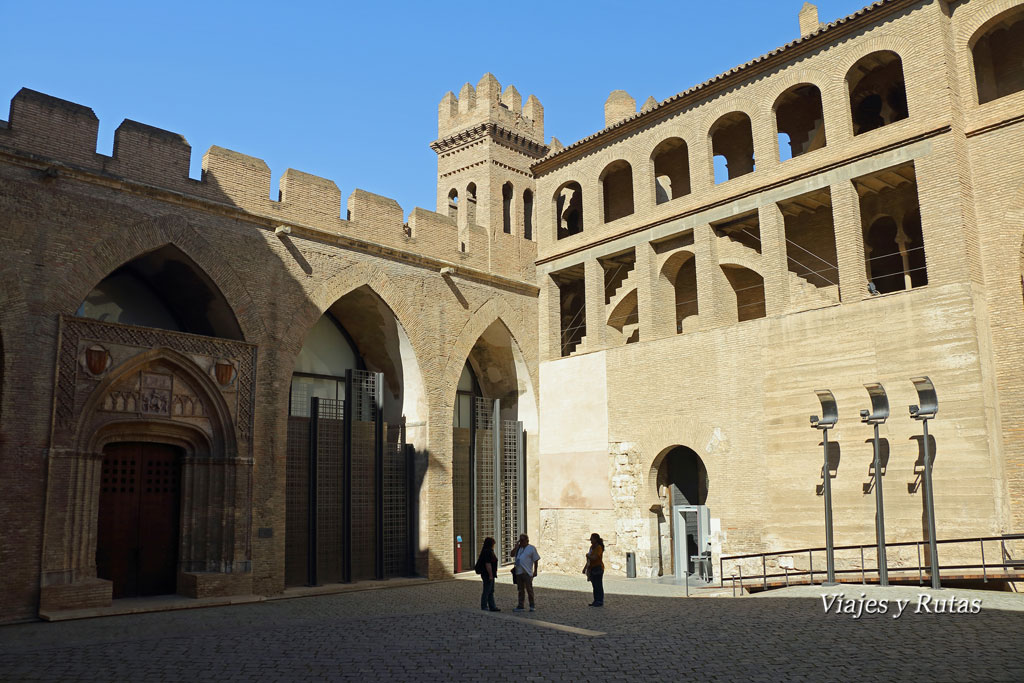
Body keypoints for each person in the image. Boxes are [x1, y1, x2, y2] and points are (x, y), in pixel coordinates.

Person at [511, 533, 540, 612]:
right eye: (520, 540)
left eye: (523, 540)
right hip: (519, 572)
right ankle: (521, 605)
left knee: (529, 589)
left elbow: (536, 560)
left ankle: (532, 605)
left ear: (527, 540)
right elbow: (511, 554)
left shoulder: (531, 548)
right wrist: (516, 547)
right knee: (520, 590)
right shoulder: (519, 548)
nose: (522, 542)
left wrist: (535, 571)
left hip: (527, 572)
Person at [476, 537, 500, 612]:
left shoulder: (488, 551)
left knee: (491, 590)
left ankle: (492, 606)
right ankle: (484, 606)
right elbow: (488, 564)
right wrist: (490, 575)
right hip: (487, 574)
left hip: (489, 574)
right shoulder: (487, 552)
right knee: (487, 590)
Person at [583, 533, 605, 606]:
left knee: (598, 585)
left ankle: (600, 601)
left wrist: (588, 555)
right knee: (594, 585)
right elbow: (589, 560)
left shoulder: (598, 548)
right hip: (592, 568)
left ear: (595, 539)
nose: (590, 540)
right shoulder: (592, 547)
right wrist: (585, 567)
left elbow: (594, 557)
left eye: (591, 538)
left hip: (598, 568)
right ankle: (596, 600)